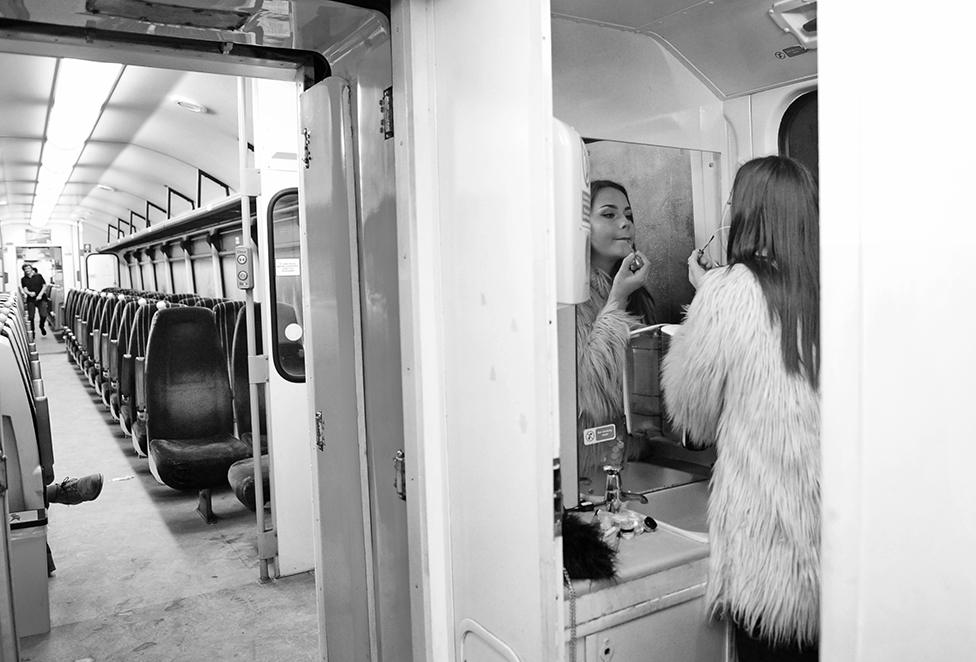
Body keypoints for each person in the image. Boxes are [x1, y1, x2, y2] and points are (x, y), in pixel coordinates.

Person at [661, 155, 820, 661]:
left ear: (748, 213)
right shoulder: (835, 289)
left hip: (767, 554)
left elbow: (692, 414)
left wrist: (704, 299)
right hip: (838, 556)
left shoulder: (728, 292)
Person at [576, 180, 656, 476]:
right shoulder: (568, 299)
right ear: (583, 225)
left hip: (631, 461)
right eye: (609, 215)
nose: (625, 224)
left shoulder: (635, 293)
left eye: (629, 215)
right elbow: (589, 393)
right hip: (587, 468)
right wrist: (618, 298)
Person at [20, 263, 50, 336]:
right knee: (31, 317)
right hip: (31, 299)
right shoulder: (23, 279)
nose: (27, 270)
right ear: (24, 270)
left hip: (41, 298)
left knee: (43, 315)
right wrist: (29, 293)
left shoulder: (38, 276)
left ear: (31, 269)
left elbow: (44, 286)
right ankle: (32, 332)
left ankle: (41, 326)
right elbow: (24, 289)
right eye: (25, 269)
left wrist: (40, 295)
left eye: (28, 268)